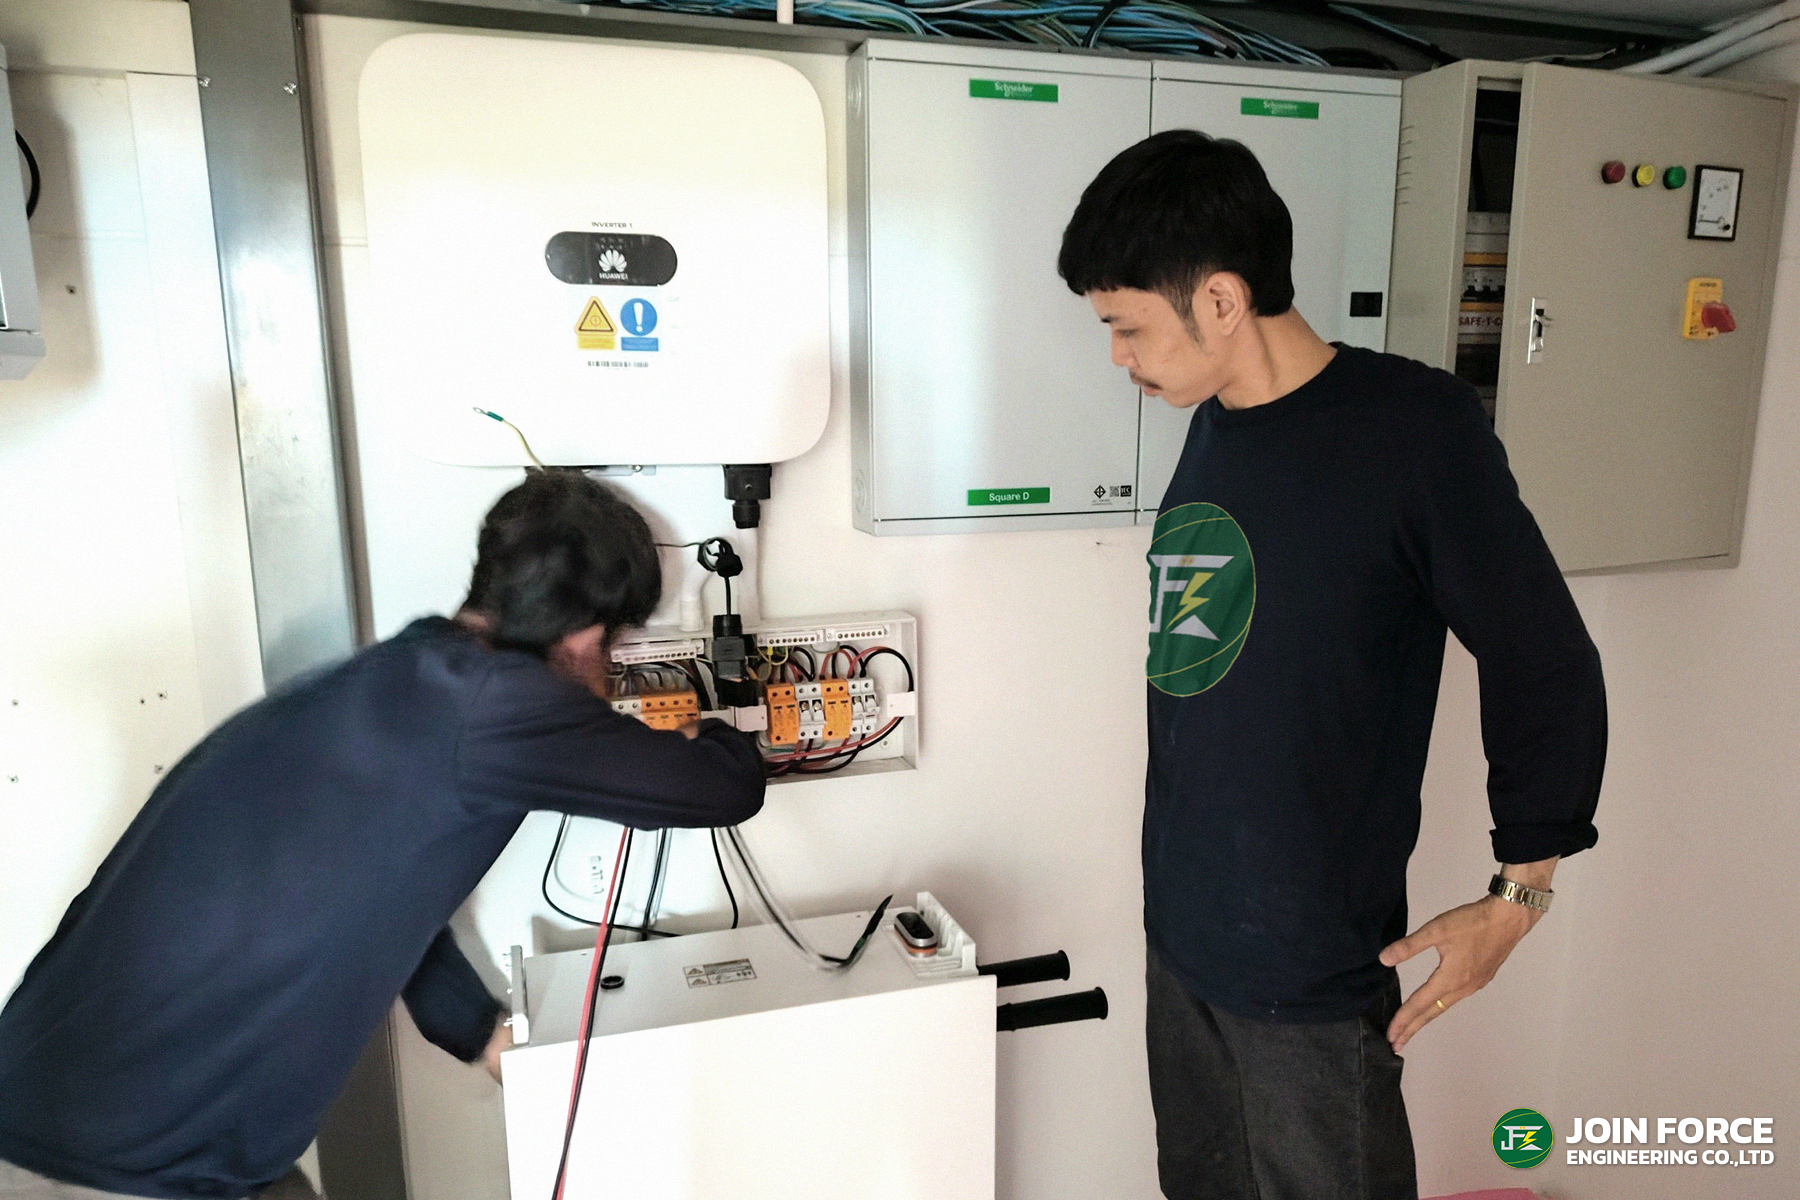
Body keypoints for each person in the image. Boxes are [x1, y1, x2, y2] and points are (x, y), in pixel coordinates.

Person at [1057, 130, 1606, 1200]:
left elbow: (1543, 656)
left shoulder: (1413, 431)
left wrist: (1519, 895)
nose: (1119, 358)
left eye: (1128, 327)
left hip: (1309, 970)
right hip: (1184, 938)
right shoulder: (1213, 425)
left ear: (1221, 300)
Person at [0, 470, 765, 1200]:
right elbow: (722, 788)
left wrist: (479, 1033)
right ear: (586, 635)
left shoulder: (395, 678)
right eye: (619, 647)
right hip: (109, 1159)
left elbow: (370, 889)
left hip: (112, 1121)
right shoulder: (495, 705)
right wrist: (713, 729)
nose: (615, 668)